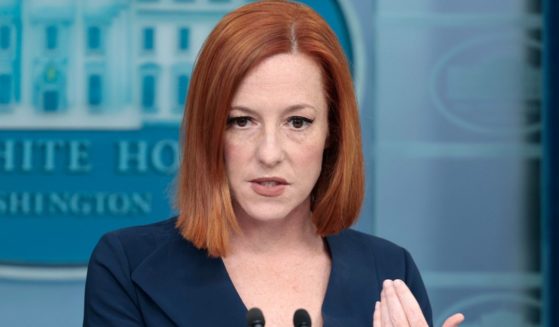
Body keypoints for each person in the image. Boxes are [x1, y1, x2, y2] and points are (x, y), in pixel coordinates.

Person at [83, 1, 464, 326]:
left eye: (297, 122)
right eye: (241, 121)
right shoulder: (126, 266)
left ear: (332, 133)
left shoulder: (390, 271)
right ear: (209, 132)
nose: (269, 153)